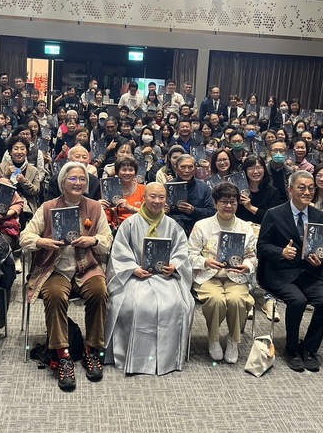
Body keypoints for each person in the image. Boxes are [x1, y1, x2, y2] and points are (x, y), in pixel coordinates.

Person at [20, 162, 113, 391]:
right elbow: (25, 237)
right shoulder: (47, 207)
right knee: (53, 294)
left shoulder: (94, 208)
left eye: (82, 179)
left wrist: (94, 241)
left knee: (100, 291)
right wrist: (42, 242)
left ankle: (92, 350)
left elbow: (107, 241)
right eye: (73, 179)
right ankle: (62, 355)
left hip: (86, 267)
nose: (78, 183)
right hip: (55, 267)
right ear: (62, 182)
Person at [104, 183, 193, 374]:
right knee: (135, 305)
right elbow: (119, 252)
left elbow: (182, 252)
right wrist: (133, 269)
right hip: (135, 277)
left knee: (176, 305)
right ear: (144, 197)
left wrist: (174, 265)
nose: (157, 201)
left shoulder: (173, 226)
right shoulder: (129, 224)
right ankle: (134, 358)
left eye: (161, 197)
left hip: (166, 278)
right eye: (153, 196)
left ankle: (166, 359)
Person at [257, 170, 323, 372]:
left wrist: (320, 258)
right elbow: (262, 246)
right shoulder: (273, 214)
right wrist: (281, 252)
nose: (307, 191)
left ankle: (309, 347)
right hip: (280, 272)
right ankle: (291, 349)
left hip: (309, 272)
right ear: (290, 189)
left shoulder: (319, 215)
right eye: (301, 187)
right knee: (297, 301)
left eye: (311, 188)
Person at [188, 182, 257, 363]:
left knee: (236, 300)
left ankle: (233, 340)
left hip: (236, 277)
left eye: (232, 202)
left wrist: (247, 266)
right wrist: (205, 261)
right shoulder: (202, 226)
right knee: (217, 300)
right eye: (224, 202)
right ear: (216, 203)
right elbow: (189, 254)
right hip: (209, 276)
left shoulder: (245, 227)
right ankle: (214, 338)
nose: (228, 206)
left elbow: (252, 255)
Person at [167, 154, 216, 235]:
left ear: (195, 168)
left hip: (198, 228)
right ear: (176, 168)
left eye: (190, 167)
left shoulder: (204, 187)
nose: (187, 170)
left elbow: (211, 211)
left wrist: (193, 210)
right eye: (183, 167)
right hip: (173, 228)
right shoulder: (168, 187)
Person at [101, 156, 145, 231]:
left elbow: (148, 214)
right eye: (124, 170)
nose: (127, 173)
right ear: (117, 172)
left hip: (140, 228)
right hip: (118, 230)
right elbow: (107, 218)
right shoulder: (110, 191)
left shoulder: (144, 189)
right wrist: (100, 209)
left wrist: (130, 208)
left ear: (135, 172)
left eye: (131, 170)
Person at [236, 155, 281, 226]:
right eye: (251, 168)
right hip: (241, 228)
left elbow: (272, 217)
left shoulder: (273, 191)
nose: (255, 171)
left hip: (264, 230)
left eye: (259, 167)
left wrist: (250, 207)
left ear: (264, 169)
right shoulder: (239, 190)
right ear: (245, 171)